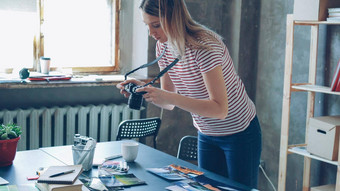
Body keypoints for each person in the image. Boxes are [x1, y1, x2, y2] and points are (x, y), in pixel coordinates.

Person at [116, 0, 262, 188]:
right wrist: (144, 90)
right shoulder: (164, 46)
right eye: (147, 26)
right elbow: (168, 100)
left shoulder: (205, 47)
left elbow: (220, 109)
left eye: (156, 25)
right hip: (206, 132)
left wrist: (168, 97)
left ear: (173, 18)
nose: (151, 33)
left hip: (239, 131)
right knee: (208, 188)